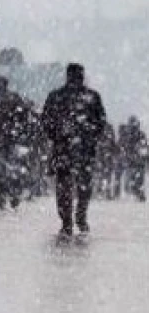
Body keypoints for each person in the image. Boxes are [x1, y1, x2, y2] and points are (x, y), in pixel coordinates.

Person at [41, 63, 107, 238]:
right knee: (83, 185)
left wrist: (58, 136)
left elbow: (46, 122)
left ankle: (67, 221)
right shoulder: (92, 97)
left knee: (64, 186)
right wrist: (90, 135)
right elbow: (101, 122)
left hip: (64, 148)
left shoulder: (56, 96)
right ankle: (79, 216)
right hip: (83, 149)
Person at [0, 76, 32, 209]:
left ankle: (5, 197)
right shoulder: (12, 98)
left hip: (3, 140)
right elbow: (24, 116)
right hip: (9, 139)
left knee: (3, 170)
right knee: (10, 170)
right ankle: (11, 196)